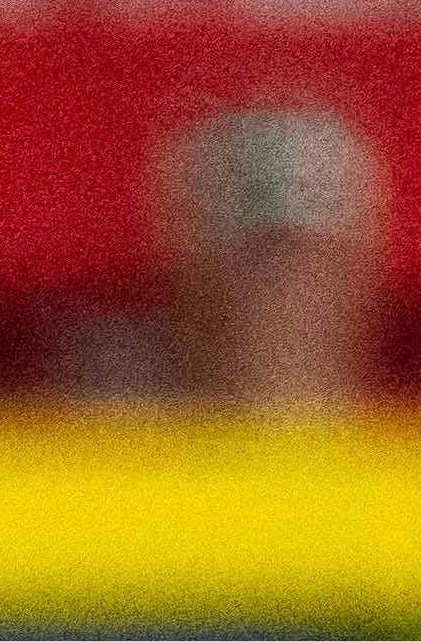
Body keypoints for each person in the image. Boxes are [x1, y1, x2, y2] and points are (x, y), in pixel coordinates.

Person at [150, 97, 381, 422]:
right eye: (259, 258)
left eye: (306, 258)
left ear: (359, 278)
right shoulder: (111, 445)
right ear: (192, 279)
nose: (283, 294)